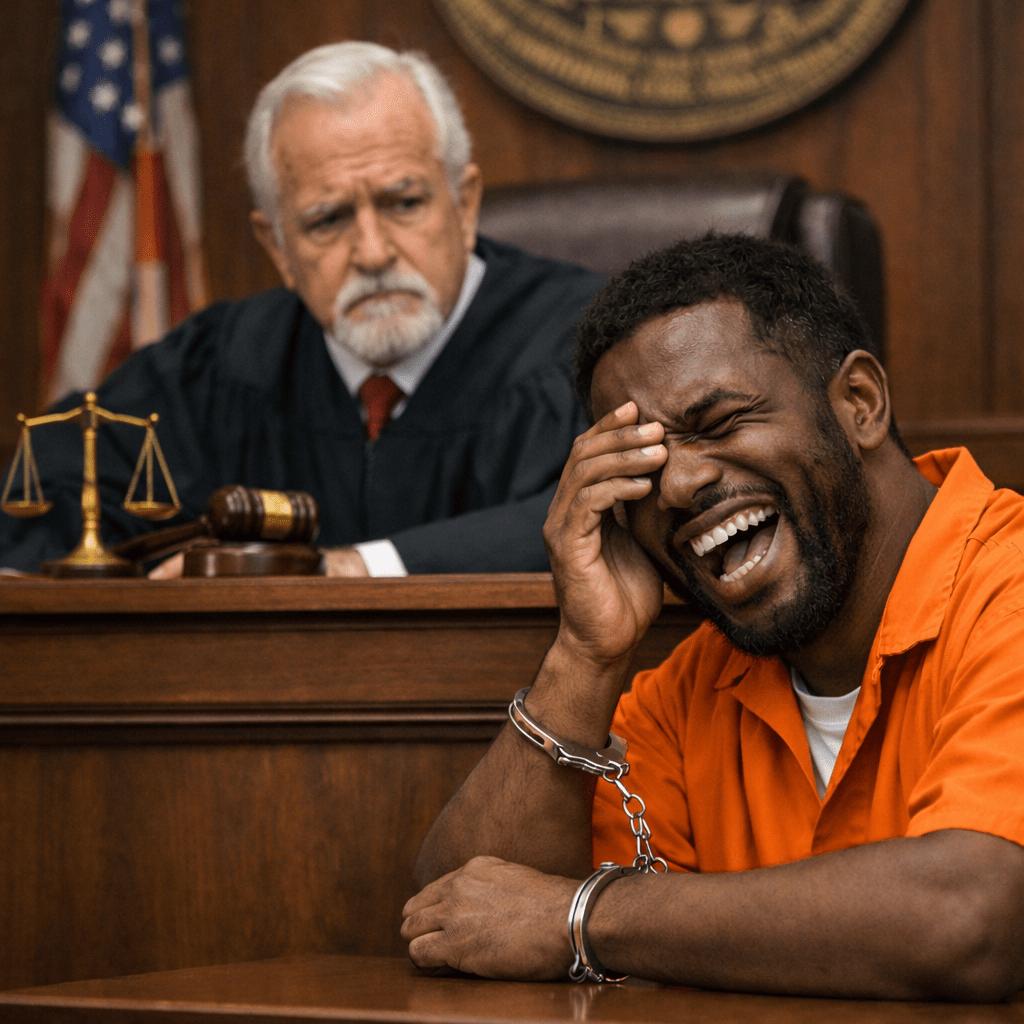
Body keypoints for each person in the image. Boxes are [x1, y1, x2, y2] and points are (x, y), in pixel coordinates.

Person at [401, 234, 1024, 1001]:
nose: (679, 485)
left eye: (719, 422)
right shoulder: (684, 693)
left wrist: (581, 918)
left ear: (858, 404)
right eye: (643, 464)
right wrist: (584, 655)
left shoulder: (1010, 586)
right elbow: (462, 914)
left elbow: (971, 918)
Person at [0, 42, 601, 576]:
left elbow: (617, 519)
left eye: (404, 202)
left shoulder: (589, 346)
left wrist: (353, 568)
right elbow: (54, 498)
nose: (372, 252)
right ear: (277, 246)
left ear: (465, 206)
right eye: (327, 219)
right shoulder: (219, 368)